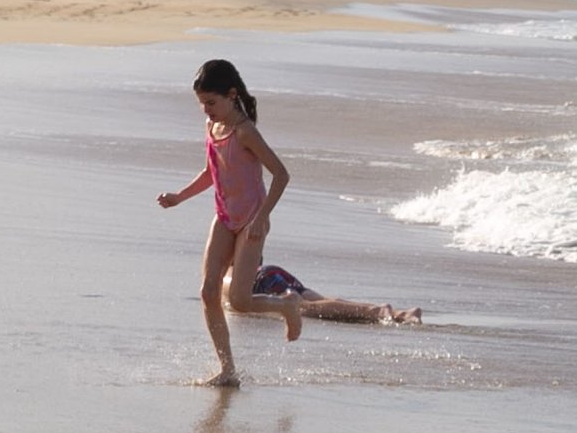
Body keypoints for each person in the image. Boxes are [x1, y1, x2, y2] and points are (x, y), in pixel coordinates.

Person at [157, 59, 301, 386]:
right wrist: (180, 196)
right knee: (209, 292)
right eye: (202, 104)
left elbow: (281, 174)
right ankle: (227, 370)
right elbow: (212, 172)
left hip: (251, 221)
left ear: (231, 95)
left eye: (211, 102)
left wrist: (263, 217)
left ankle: (287, 305)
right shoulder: (213, 128)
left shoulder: (245, 132)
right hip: (224, 217)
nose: (206, 110)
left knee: (239, 300)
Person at [230, 262, 423, 326]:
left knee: (305, 308)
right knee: (323, 301)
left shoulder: (220, 271)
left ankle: (378, 311)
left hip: (262, 280)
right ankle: (401, 313)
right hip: (269, 272)